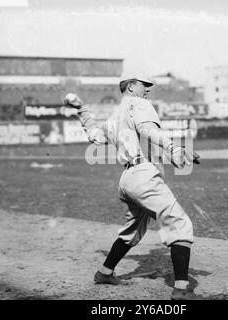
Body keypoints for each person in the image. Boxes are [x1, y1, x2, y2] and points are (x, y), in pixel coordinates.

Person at [63, 73, 202, 300]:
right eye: (143, 84)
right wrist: (174, 148)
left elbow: (94, 135)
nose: (147, 89)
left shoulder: (115, 116)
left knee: (132, 231)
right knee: (180, 224)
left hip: (128, 178)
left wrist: (81, 109)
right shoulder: (139, 103)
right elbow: (149, 130)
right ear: (129, 87)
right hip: (144, 177)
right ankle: (182, 291)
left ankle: (104, 273)